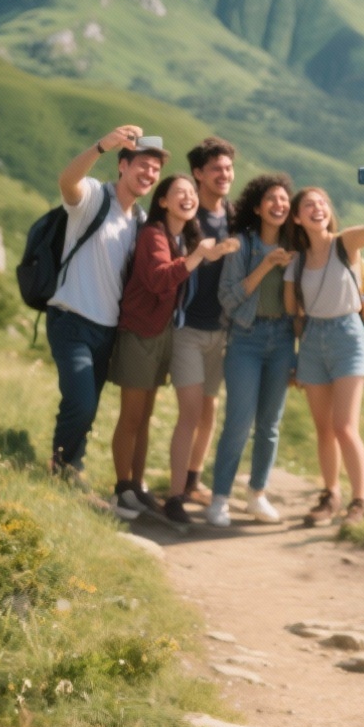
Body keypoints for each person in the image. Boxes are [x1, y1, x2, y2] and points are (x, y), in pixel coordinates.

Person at [108, 174, 239, 525]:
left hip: (160, 333)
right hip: (140, 332)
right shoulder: (154, 234)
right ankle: (122, 488)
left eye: (190, 194)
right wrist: (198, 255)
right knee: (132, 415)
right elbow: (159, 279)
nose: (188, 198)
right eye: (178, 193)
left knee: (145, 416)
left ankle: (136, 485)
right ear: (162, 201)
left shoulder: (180, 236)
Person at [46, 126, 164, 489]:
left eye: (155, 170)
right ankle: (60, 466)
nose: (149, 174)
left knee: (89, 407)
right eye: (143, 165)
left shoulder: (141, 222)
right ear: (123, 166)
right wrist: (100, 145)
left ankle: (69, 470)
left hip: (107, 329)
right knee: (81, 402)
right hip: (71, 319)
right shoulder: (94, 198)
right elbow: (67, 180)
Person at [283, 171, 364, 528]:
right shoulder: (296, 260)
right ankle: (330, 494)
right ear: (297, 217)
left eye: (321, 203)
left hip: (348, 335)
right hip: (313, 340)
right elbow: (294, 315)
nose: (317, 208)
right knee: (323, 428)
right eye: (308, 205)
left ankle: (359, 500)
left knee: (345, 426)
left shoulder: (346, 243)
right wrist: (294, 360)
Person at [206, 174, 297, 528]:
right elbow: (228, 299)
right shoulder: (241, 244)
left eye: (284, 199)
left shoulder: (295, 246)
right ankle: (220, 499)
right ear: (257, 207)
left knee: (270, 425)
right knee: (239, 423)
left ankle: (257, 495)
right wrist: (266, 265)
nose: (279, 205)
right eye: (271, 199)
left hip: (283, 339)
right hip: (246, 337)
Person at [168, 137, 236, 507]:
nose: (224, 175)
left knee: (208, 410)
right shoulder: (188, 216)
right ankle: (176, 495)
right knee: (190, 412)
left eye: (228, 168)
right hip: (188, 329)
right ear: (198, 174)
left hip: (221, 330)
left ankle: (192, 481)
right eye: (216, 169)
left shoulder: (235, 216)